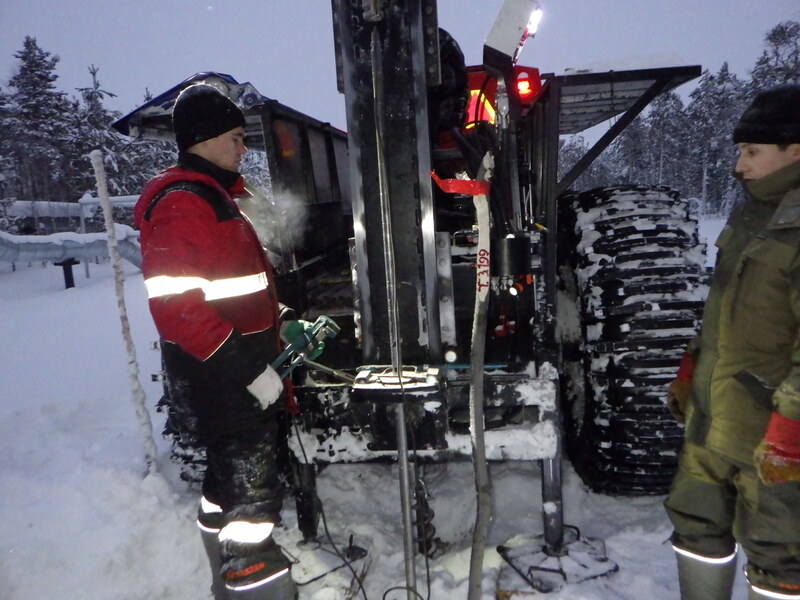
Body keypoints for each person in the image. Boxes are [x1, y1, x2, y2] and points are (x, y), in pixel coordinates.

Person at [133, 83, 297, 600]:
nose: (242, 147)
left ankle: (220, 582)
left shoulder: (220, 195)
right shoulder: (184, 203)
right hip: (225, 374)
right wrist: (248, 368)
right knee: (250, 506)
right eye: (233, 137)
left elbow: (238, 283)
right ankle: (252, 582)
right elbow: (177, 309)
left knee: (225, 485)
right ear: (202, 139)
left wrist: (280, 320)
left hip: (238, 365)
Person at [664, 83, 800, 600]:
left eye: (751, 152)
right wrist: (691, 367)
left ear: (795, 150)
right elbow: (726, 309)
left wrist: (789, 431)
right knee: (696, 521)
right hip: (715, 413)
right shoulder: (753, 213)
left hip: (775, 431)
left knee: (780, 548)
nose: (738, 166)